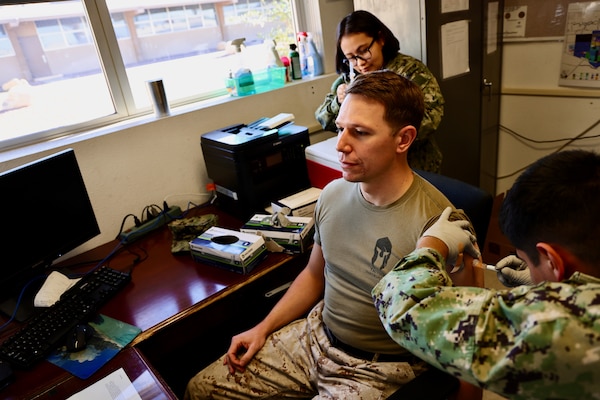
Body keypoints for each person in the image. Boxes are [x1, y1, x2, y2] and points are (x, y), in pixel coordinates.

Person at [185, 71, 467, 399]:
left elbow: (465, 337)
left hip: (379, 368)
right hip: (315, 336)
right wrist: (262, 329)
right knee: (201, 389)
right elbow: (314, 276)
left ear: (403, 139)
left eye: (359, 133)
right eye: (340, 128)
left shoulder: (441, 227)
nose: (341, 145)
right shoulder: (332, 194)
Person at [372, 149, 600, 400]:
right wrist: (545, 280)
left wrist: (430, 244)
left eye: (529, 261)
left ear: (553, 261)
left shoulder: (565, 329)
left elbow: (407, 307)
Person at [315, 10, 445, 173]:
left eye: (363, 51)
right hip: (371, 170)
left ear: (381, 39)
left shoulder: (410, 72)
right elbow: (323, 118)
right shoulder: (350, 78)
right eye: (351, 57)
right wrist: (339, 101)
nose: (360, 63)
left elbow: (432, 117)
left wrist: (381, 136)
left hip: (414, 167)